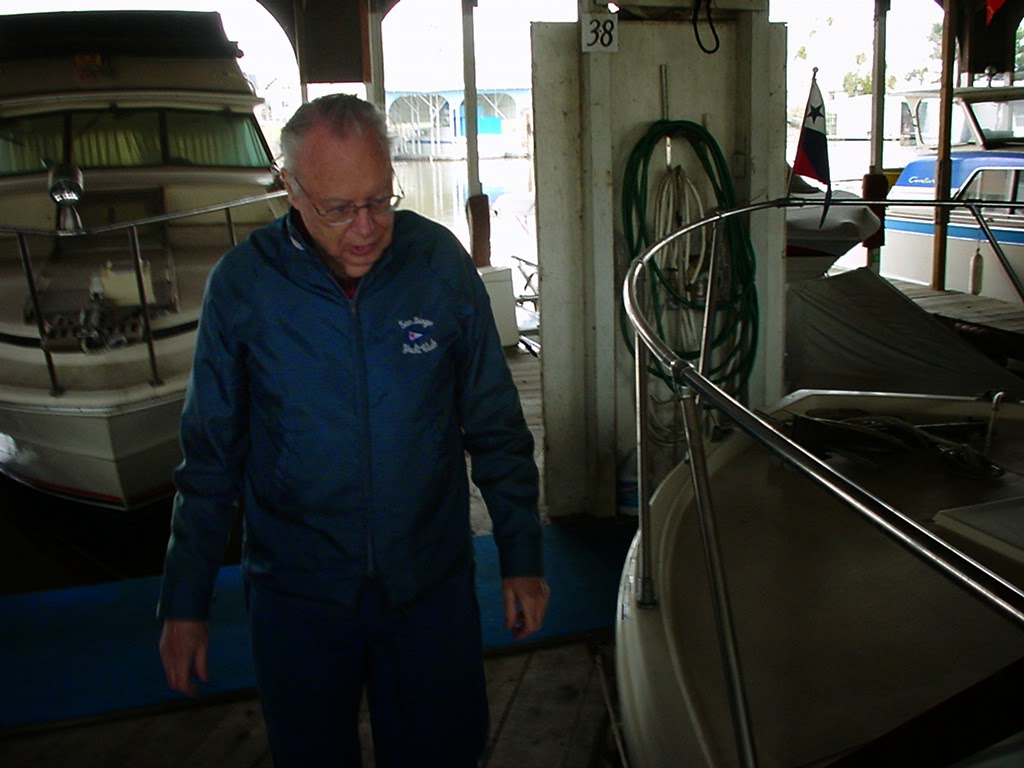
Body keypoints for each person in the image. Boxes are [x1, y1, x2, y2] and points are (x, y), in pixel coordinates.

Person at [157, 93, 549, 767]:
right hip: (297, 594)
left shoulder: (438, 266)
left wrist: (522, 556)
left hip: (428, 585)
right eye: (339, 209)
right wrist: (185, 600)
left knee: (445, 752)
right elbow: (210, 457)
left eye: (380, 200)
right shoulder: (244, 287)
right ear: (292, 190)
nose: (366, 227)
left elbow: (494, 420)